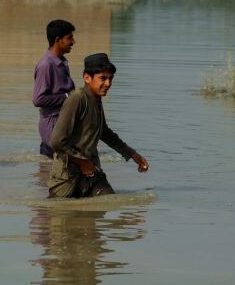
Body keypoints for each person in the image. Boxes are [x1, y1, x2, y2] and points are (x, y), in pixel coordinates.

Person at [48, 53, 149, 198]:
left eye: (111, 78)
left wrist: (132, 154)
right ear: (87, 77)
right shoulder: (77, 98)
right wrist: (83, 163)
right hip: (67, 177)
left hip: (92, 172)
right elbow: (56, 141)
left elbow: (104, 132)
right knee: (62, 213)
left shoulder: (96, 98)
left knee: (110, 202)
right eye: (103, 78)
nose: (108, 84)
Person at [33, 19, 76, 158]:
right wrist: (68, 97)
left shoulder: (60, 62)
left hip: (61, 124)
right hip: (53, 126)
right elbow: (38, 99)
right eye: (69, 37)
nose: (73, 41)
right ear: (58, 40)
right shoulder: (46, 65)